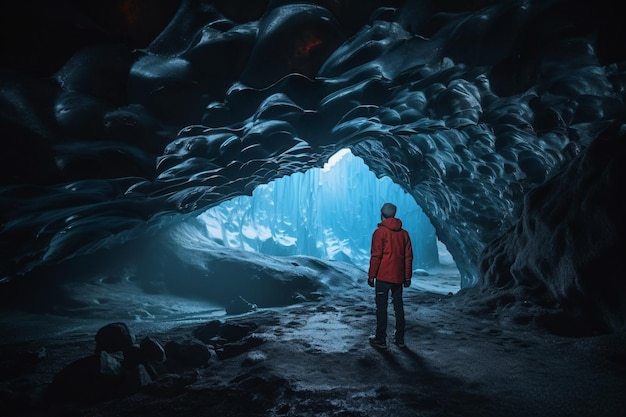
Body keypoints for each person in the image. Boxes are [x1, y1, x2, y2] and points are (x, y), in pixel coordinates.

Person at [367, 202, 414, 349]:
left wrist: (371, 275)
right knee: (398, 307)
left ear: (382, 215)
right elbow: (408, 257)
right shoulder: (404, 234)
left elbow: (376, 256)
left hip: (383, 277)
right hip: (398, 278)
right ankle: (399, 339)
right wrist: (407, 277)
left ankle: (380, 339)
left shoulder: (379, 233)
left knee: (382, 308)